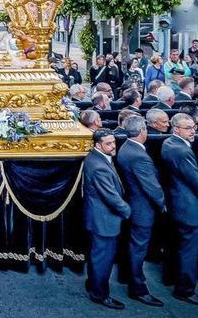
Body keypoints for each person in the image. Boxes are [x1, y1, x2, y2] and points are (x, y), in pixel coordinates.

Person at [115, 115, 165, 307]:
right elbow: (152, 187)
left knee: (134, 246)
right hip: (142, 209)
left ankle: (127, 277)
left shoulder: (126, 147)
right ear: (143, 131)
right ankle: (138, 289)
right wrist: (162, 204)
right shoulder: (139, 156)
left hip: (132, 204)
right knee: (138, 249)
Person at [161, 113, 198, 305]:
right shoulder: (182, 151)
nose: (193, 131)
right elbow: (196, 180)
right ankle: (185, 290)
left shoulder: (169, 143)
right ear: (176, 129)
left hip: (176, 202)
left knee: (178, 246)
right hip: (188, 206)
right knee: (189, 250)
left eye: (194, 127)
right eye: (188, 128)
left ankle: (172, 278)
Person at [82, 129, 129, 310]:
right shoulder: (98, 166)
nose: (113, 146)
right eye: (108, 143)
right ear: (97, 144)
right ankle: (99, 295)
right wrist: (128, 211)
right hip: (103, 219)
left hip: (100, 218)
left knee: (98, 257)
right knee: (103, 260)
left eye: (114, 142)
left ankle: (93, 284)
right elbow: (111, 197)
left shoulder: (98, 157)